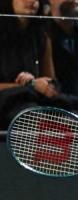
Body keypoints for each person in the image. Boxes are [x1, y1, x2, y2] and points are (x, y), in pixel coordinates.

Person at [0, 0, 59, 128]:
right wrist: (31, 84)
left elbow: (51, 82)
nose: (32, 1)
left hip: (34, 102)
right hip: (7, 104)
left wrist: (44, 85)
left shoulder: (42, 37)